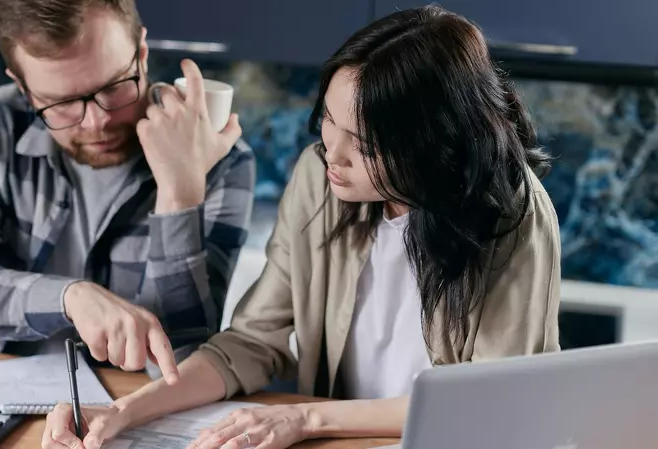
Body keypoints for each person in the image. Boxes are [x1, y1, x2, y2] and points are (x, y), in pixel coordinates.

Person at [41, 4, 562, 449]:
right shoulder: (320, 178)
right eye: (329, 120)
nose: (331, 152)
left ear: (433, 145)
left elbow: (490, 402)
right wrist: (125, 411)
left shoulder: (514, 216)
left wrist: (306, 418)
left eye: (365, 143)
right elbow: (251, 343)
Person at [0, 0, 256, 383]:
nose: (97, 122)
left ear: (141, 54)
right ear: (23, 89)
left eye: (113, 87)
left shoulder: (219, 158)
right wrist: (70, 298)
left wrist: (179, 195)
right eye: (60, 103)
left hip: (131, 409)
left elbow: (182, 362)